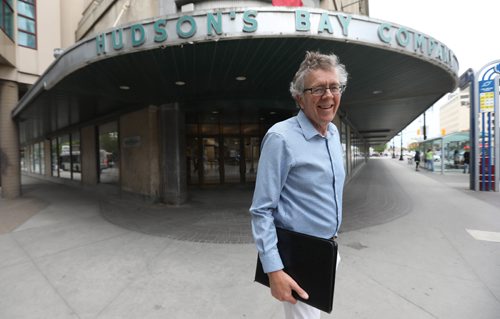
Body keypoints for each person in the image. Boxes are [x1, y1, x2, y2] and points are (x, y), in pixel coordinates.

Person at [250, 51, 347, 319]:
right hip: (300, 256)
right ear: (299, 98)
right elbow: (261, 210)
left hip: (328, 251)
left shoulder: (334, 132)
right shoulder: (281, 138)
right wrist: (274, 270)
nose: (328, 95)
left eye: (334, 86)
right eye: (317, 89)